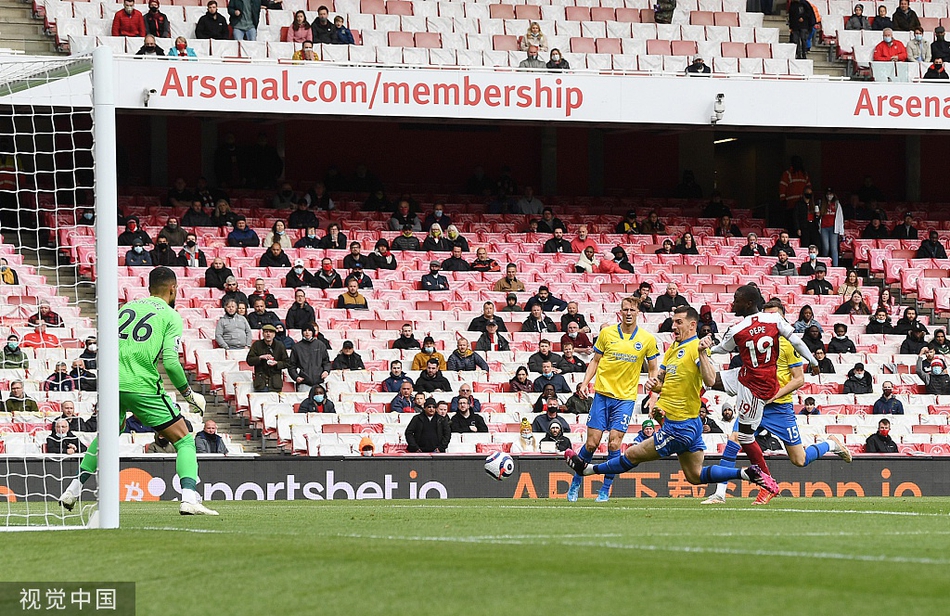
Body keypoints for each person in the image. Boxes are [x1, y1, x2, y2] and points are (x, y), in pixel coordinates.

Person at [567, 306, 779, 501]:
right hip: (688, 425)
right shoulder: (673, 349)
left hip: (679, 427)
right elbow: (663, 382)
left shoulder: (696, 348)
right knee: (694, 476)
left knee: (631, 454)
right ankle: (746, 472)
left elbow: (710, 379)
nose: (674, 326)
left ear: (692, 325)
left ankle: (587, 470)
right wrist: (655, 385)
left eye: (678, 322)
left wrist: (703, 353)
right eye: (673, 322)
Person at [59, 267, 213, 515]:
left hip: (111, 383)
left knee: (110, 434)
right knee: (184, 438)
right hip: (141, 384)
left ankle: (73, 489)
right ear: (173, 288)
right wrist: (189, 394)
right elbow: (171, 363)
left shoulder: (126, 308)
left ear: (149, 287)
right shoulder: (171, 316)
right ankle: (189, 498)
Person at [699, 286, 818, 489]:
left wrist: (708, 349)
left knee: (744, 436)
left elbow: (721, 349)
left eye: (736, 299)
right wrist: (813, 361)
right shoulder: (774, 320)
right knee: (709, 380)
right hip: (751, 376)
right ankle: (721, 493)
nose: (732, 303)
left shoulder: (737, 329)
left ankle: (767, 481)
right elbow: (797, 340)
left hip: (756, 388)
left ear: (748, 303)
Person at [563, 297, 660, 502]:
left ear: (638, 312)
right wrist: (584, 382)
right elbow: (595, 360)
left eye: (632, 310)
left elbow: (653, 369)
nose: (628, 313)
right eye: (625, 309)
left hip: (625, 399)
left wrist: (654, 395)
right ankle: (576, 482)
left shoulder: (647, 339)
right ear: (620, 312)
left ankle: (605, 490)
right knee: (591, 443)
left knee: (614, 444)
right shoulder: (607, 334)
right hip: (602, 395)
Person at [247, 324, 289, 392]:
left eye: (271, 332)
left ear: (274, 334)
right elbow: (249, 360)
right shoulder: (256, 345)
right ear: (263, 334)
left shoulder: (280, 345)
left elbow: (287, 362)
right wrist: (260, 357)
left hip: (275, 383)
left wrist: (277, 363)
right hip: (261, 383)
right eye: (266, 332)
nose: (268, 334)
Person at [289, 325, 331, 391]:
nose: (307, 332)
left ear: (313, 332)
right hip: (304, 383)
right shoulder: (296, 347)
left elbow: (326, 361)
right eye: (305, 330)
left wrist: (326, 371)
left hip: (319, 382)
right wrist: (296, 377)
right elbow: (291, 365)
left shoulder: (320, 345)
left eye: (309, 330)